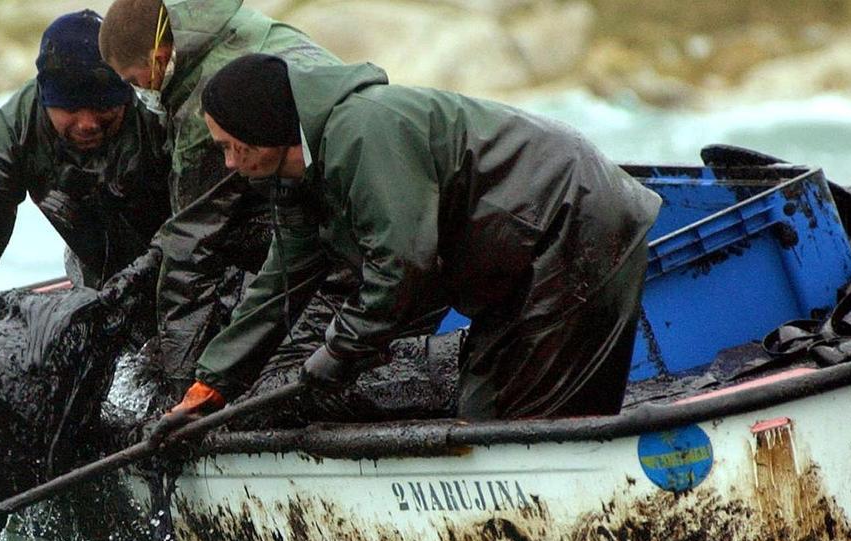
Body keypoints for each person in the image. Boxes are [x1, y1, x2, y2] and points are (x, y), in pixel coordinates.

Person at [152, 54, 663, 439]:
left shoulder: (363, 131)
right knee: (483, 413)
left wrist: (339, 351)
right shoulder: (294, 175)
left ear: (260, 131)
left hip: (574, 224)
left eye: (226, 146)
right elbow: (279, 282)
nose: (225, 163)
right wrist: (210, 385)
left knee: (516, 430)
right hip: (518, 263)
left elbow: (403, 264)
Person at [98, 0, 354, 399]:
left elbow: (191, 244)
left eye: (135, 79)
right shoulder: (236, 28)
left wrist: (181, 385)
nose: (138, 91)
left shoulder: (208, 106)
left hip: (344, 210)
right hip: (336, 186)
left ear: (159, 57)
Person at [0, 10, 170, 299]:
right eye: (71, 109)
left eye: (103, 108)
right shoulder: (18, 125)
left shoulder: (157, 110)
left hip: (175, 265)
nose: (88, 123)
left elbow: (202, 220)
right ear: (46, 100)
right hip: (97, 282)